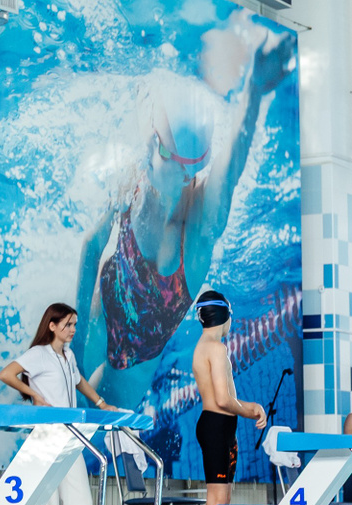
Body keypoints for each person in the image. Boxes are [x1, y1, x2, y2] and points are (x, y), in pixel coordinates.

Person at [74, 26, 296, 409]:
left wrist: (254, 92)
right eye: (153, 138)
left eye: (160, 148)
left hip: (131, 370)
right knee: (44, 411)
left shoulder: (198, 229)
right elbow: (92, 244)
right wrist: (71, 351)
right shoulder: (136, 172)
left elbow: (230, 171)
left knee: (87, 432)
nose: (148, 149)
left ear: (185, 168)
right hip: (94, 322)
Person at [0, 303, 120, 505]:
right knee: (47, 502)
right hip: (46, 435)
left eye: (75, 324)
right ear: (52, 326)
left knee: (80, 500)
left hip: (70, 435)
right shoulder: (38, 354)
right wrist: (35, 395)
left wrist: (101, 403)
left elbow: (79, 381)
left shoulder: (68, 355)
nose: (73, 329)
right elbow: (6, 374)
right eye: (68, 324)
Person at [190, 290, 267, 505]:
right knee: (216, 501)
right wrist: (250, 409)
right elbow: (223, 399)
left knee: (222, 501)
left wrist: (243, 410)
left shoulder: (203, 346)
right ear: (225, 316)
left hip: (219, 426)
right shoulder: (216, 348)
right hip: (217, 425)